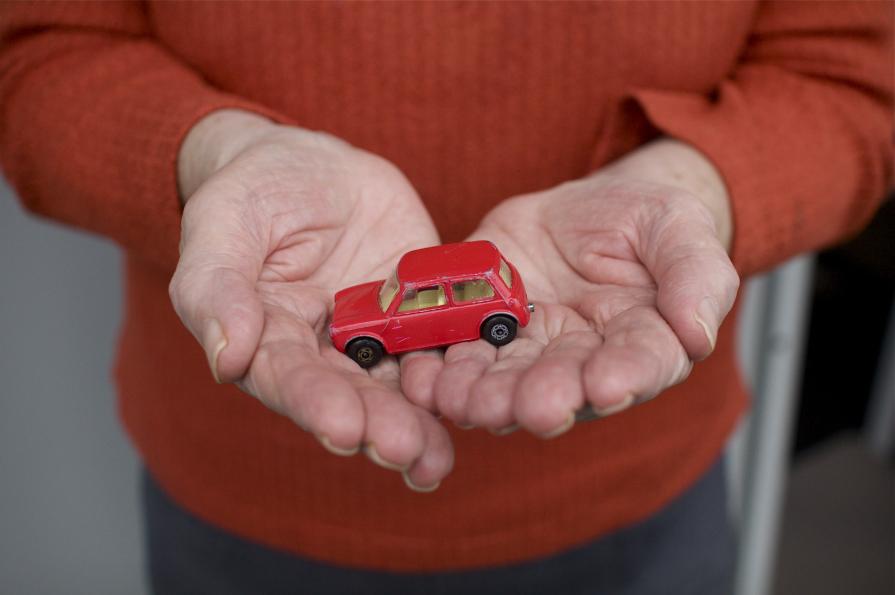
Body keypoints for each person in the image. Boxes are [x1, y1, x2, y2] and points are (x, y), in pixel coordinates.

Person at [1, 2, 891, 593]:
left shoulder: (426, 306)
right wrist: (211, 156)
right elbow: (36, 44)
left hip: (643, 501)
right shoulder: (421, 304)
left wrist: (704, 185)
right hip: (239, 506)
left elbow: (853, 73)